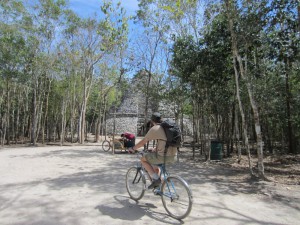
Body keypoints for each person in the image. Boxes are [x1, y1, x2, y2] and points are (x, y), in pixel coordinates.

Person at [128, 112, 177, 189]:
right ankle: (160, 185)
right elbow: (165, 141)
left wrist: (133, 148)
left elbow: (143, 141)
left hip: (163, 156)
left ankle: (156, 179)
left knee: (143, 159)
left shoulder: (155, 128)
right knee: (155, 166)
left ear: (152, 121)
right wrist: (155, 149)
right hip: (173, 156)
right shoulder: (166, 128)